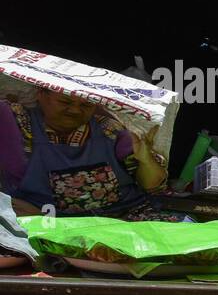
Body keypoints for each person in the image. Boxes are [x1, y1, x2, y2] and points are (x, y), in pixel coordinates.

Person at [0, 85, 168, 219]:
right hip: (46, 218)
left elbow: (151, 185)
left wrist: (146, 160)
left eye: (86, 104)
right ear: (41, 94)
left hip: (120, 217)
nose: (75, 110)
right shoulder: (18, 120)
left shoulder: (110, 128)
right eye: (65, 102)